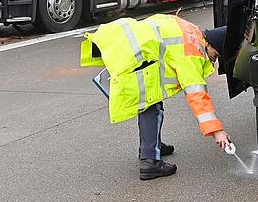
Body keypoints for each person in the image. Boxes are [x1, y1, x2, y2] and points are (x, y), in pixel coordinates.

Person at [81, 14, 232, 180]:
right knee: (151, 106)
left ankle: (152, 147)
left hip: (127, 47)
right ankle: (150, 161)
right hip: (136, 57)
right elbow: (197, 94)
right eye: (216, 54)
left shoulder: (189, 29)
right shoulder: (193, 52)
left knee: (151, 103)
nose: (214, 59)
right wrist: (217, 131)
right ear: (210, 44)